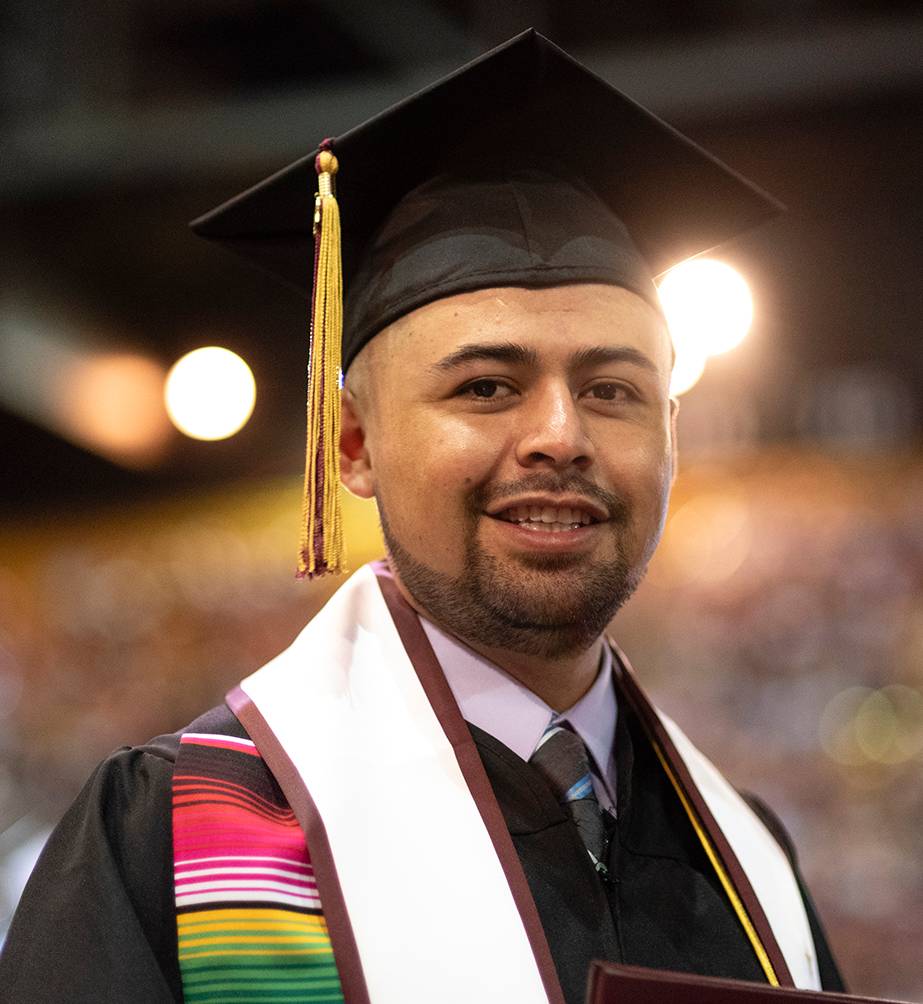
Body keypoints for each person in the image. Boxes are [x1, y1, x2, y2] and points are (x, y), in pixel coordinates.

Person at [0, 30, 845, 1004]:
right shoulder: (180, 835)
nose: (559, 435)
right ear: (352, 446)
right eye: (486, 385)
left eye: (612, 389)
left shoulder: (753, 866)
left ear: (671, 433)